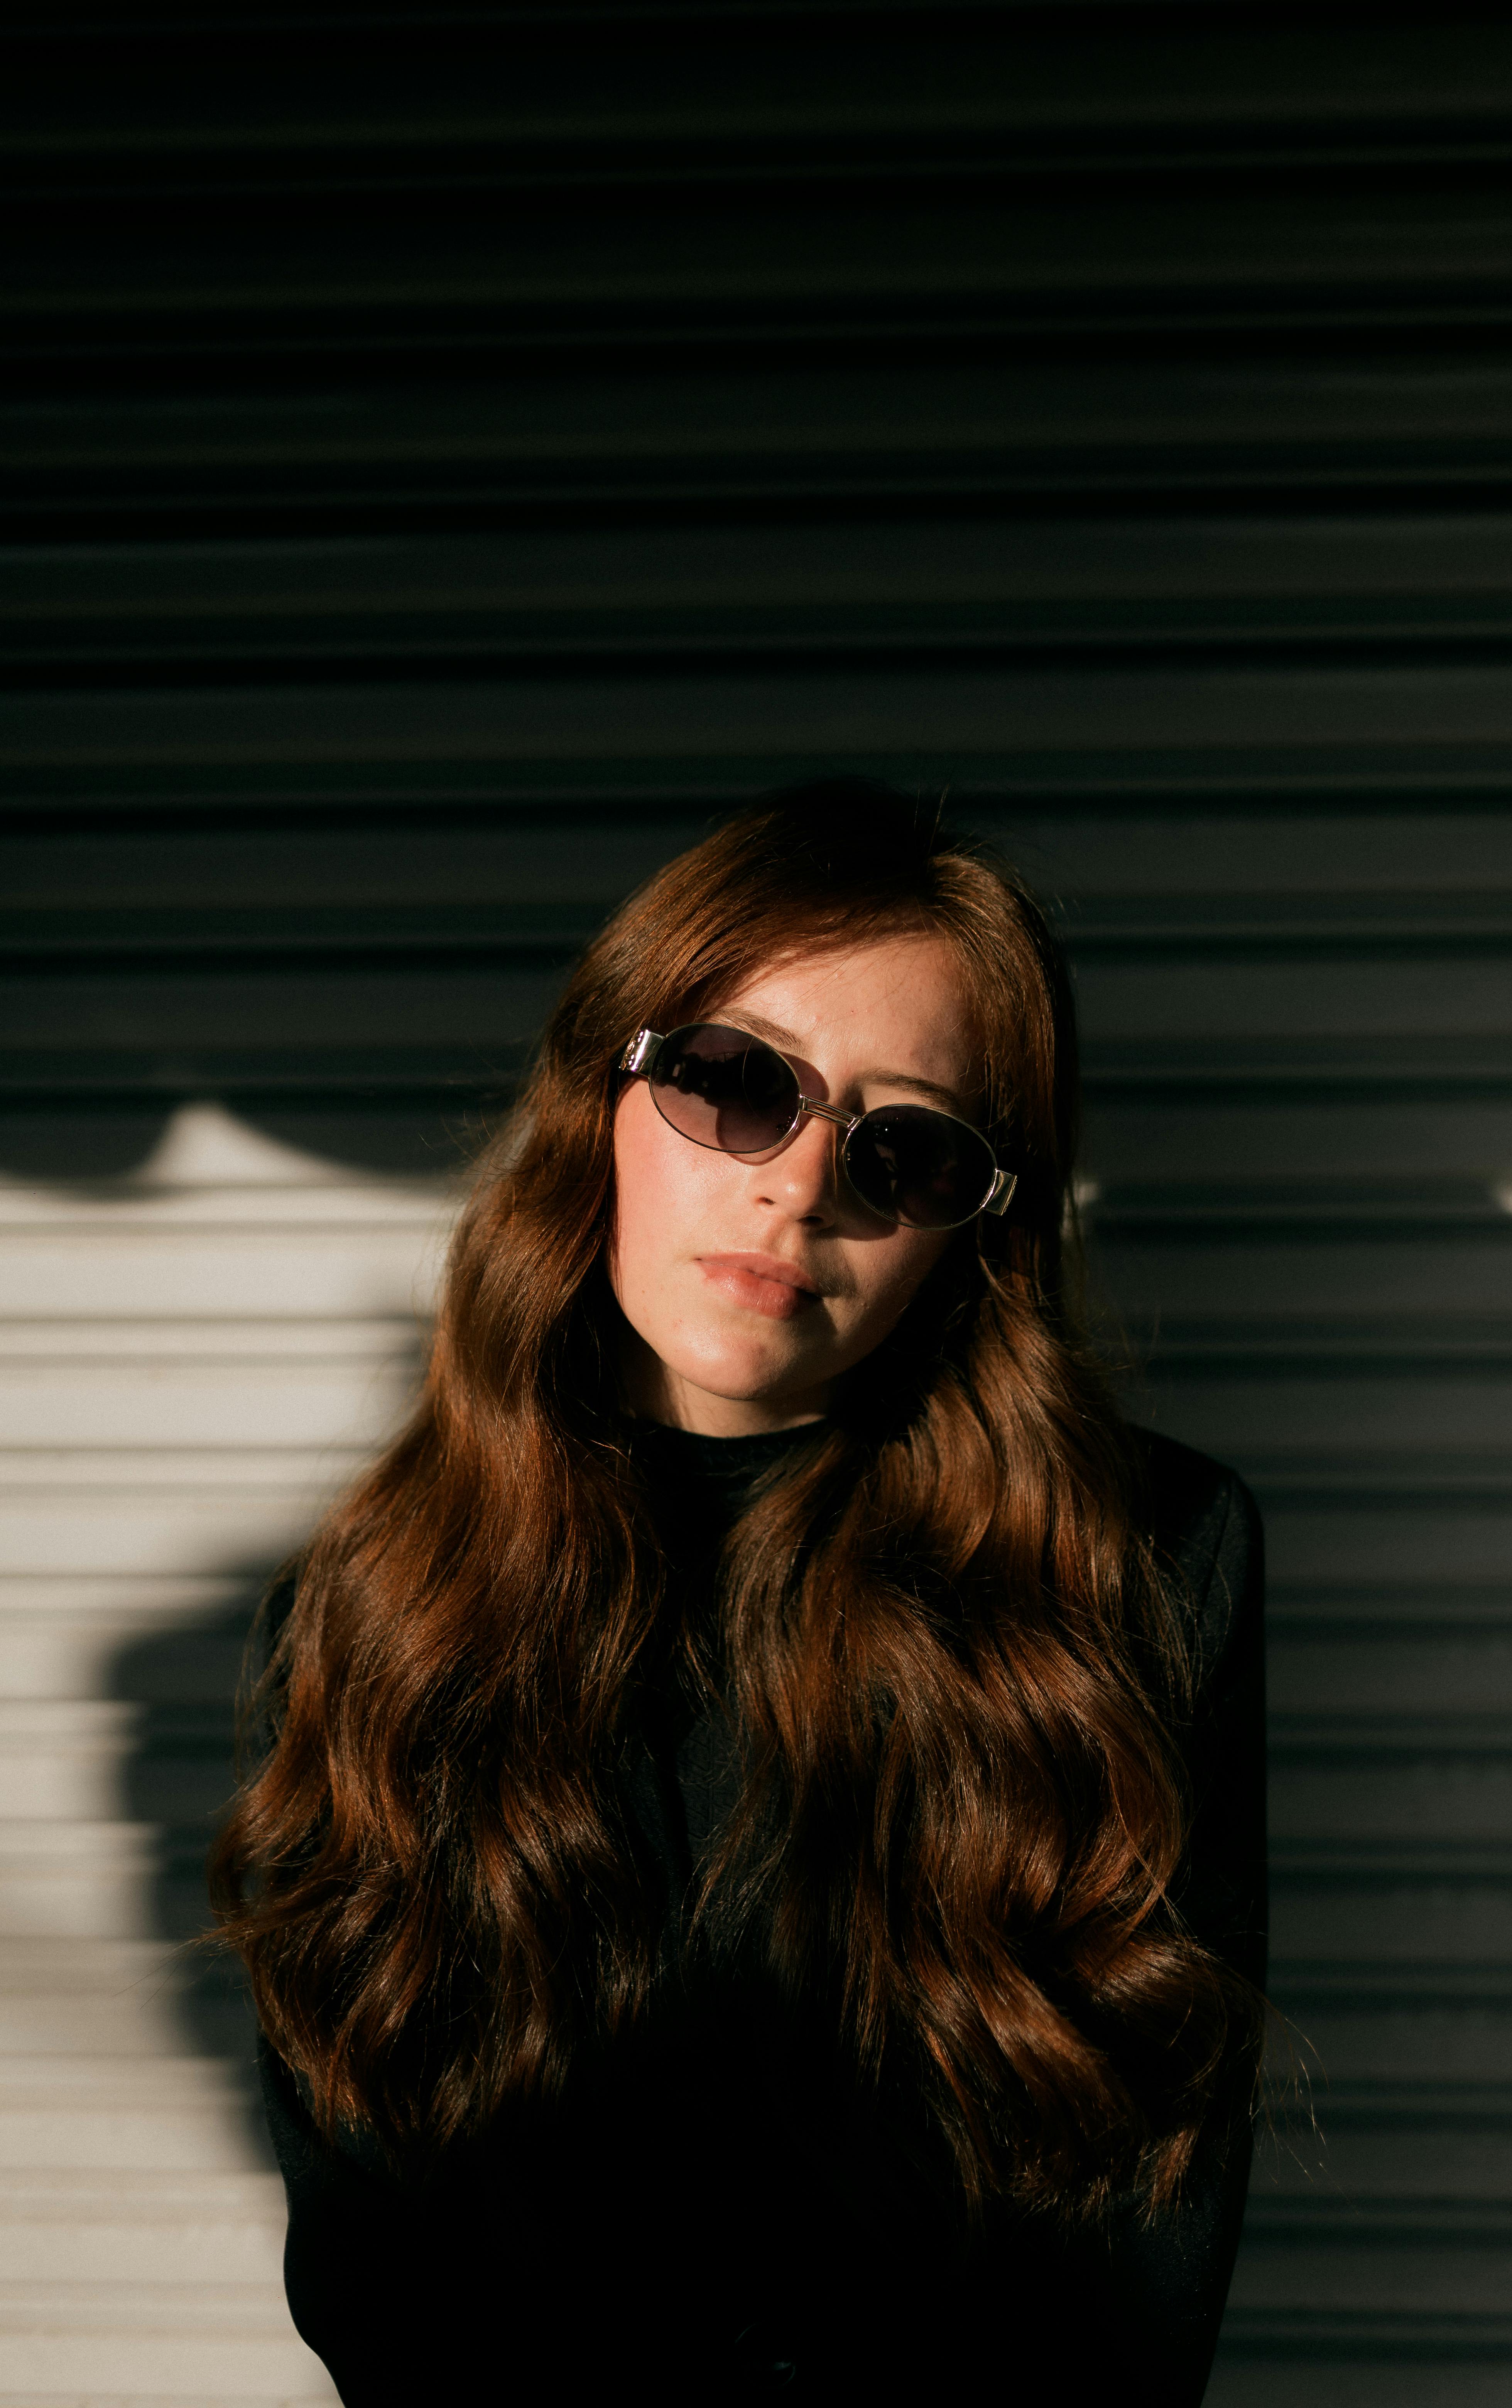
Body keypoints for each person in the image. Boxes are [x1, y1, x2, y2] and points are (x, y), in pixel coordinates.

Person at [211, 781, 1266, 2403]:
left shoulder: (1132, 1564)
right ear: (602, 1096)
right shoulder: (370, 1609)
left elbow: (1147, 2224)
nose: (798, 1185)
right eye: (734, 1084)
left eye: (902, 1145)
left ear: (968, 1231)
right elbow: (369, 2243)